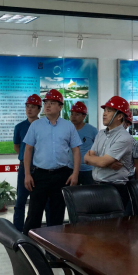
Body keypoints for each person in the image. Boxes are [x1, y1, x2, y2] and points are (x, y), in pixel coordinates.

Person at [22, 89, 81, 235]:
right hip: (39, 175)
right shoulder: (36, 125)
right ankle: (28, 245)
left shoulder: (68, 126)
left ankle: (54, 246)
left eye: (52, 103)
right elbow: (28, 150)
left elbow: (76, 150)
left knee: (57, 214)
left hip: (61, 176)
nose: (47, 105)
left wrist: (75, 174)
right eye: (46, 103)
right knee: (34, 214)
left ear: (60, 107)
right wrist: (27, 174)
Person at [85, 96, 134, 213]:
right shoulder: (100, 134)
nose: (104, 113)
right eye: (104, 110)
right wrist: (105, 162)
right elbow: (86, 158)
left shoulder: (124, 137)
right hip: (97, 185)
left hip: (115, 189)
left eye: (109, 111)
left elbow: (101, 162)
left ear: (119, 116)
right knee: (97, 222)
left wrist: (98, 160)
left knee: (114, 223)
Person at [12, 94, 50, 232]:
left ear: (39, 109)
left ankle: (39, 231)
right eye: (27, 106)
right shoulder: (19, 127)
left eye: (33, 107)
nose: (29, 109)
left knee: (41, 203)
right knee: (20, 202)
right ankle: (17, 232)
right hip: (24, 169)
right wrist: (26, 159)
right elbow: (17, 147)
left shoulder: (46, 126)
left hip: (41, 169)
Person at [68, 102, 98, 185]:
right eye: (72, 114)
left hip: (88, 170)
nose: (73, 116)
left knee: (89, 192)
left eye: (77, 114)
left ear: (84, 116)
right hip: (71, 169)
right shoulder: (68, 129)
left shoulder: (92, 130)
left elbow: (99, 147)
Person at [123, 110, 138, 181]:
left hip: (127, 180)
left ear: (127, 124)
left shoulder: (134, 143)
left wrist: (134, 182)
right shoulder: (103, 138)